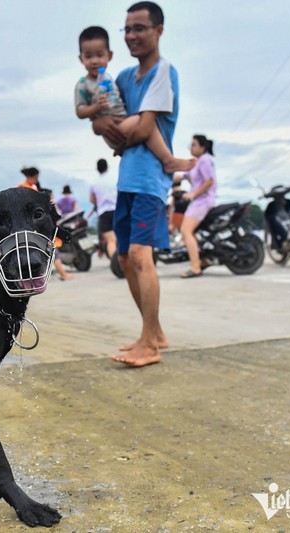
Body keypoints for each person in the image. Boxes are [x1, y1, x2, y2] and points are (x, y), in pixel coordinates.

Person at [95, 1, 177, 367]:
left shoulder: (164, 72)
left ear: (158, 31)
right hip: (126, 178)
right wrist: (101, 126)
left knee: (142, 257)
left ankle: (150, 344)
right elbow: (105, 123)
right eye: (127, 29)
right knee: (126, 257)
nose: (131, 36)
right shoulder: (125, 78)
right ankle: (154, 332)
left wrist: (113, 131)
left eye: (140, 28)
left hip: (150, 180)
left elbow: (144, 128)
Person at [75, 25, 194, 174]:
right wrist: (96, 111)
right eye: (88, 56)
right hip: (114, 129)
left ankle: (166, 159)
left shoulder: (110, 78)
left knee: (145, 124)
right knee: (142, 121)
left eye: (99, 55)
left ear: (109, 56)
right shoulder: (83, 84)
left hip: (122, 123)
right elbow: (80, 111)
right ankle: (168, 159)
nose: (94, 61)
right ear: (81, 58)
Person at [15, 168, 73, 280]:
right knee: (49, 248)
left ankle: (58, 274)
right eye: (36, 178)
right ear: (30, 177)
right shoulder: (22, 187)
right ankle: (62, 274)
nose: (37, 180)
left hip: (36, 226)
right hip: (30, 227)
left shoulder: (32, 187)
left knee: (50, 248)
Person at [174, 134, 217, 278]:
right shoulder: (195, 162)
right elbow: (180, 177)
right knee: (193, 233)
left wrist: (193, 194)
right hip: (197, 202)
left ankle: (195, 267)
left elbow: (209, 181)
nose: (191, 147)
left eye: (194, 145)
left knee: (186, 231)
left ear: (202, 147)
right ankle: (203, 259)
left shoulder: (205, 160)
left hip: (202, 201)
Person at [88, 159, 118, 258]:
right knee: (120, 237)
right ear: (107, 167)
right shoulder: (115, 179)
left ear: (97, 169)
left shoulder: (94, 183)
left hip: (104, 213)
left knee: (111, 241)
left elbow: (92, 199)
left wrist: (99, 202)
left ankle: (116, 265)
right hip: (117, 211)